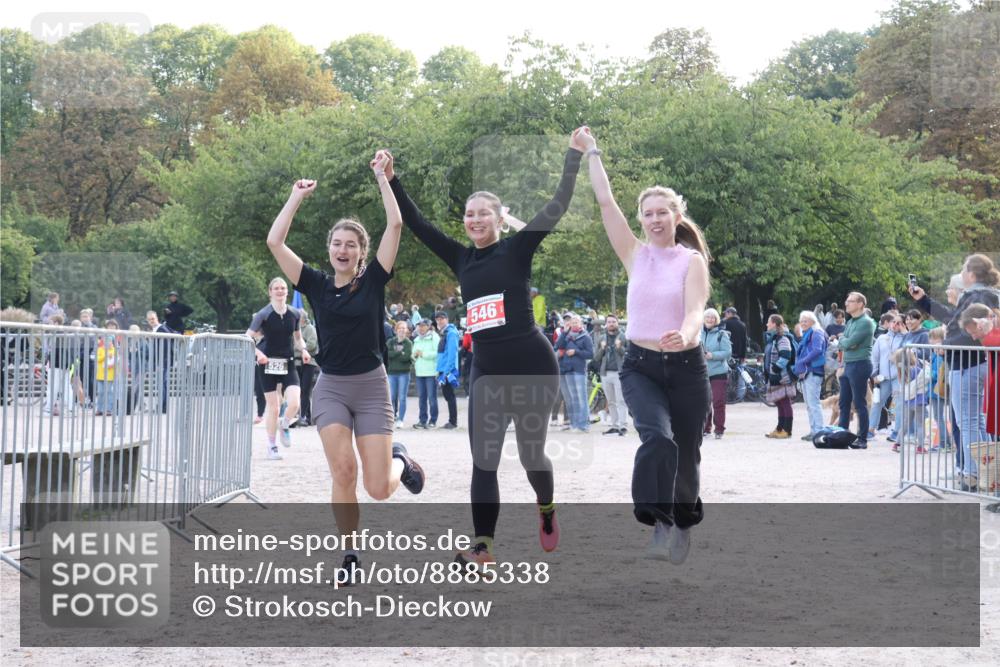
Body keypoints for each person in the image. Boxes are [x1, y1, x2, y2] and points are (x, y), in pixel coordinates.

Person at [387, 129, 585, 567]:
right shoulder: (461, 259)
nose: (474, 220)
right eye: (468, 214)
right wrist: (391, 178)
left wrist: (572, 155)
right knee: (484, 460)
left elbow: (556, 207)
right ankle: (483, 546)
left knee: (532, 455)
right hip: (488, 371)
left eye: (483, 214)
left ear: (499, 219)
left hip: (532, 366)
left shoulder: (517, 251)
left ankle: (547, 509)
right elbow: (417, 224)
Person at [266, 153, 425, 584]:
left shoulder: (374, 279)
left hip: (371, 388)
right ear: (329, 249)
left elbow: (395, 225)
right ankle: (350, 553)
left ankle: (401, 461)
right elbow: (275, 243)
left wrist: (381, 178)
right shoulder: (315, 283)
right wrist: (295, 198)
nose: (342, 249)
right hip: (332, 387)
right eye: (337, 243)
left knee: (377, 488)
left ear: (361, 252)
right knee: (343, 472)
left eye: (351, 244)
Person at [582, 126, 711, 565]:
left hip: (687, 368)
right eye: (648, 213)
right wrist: (592, 151)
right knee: (658, 439)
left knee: (688, 453)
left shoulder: (691, 261)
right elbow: (605, 202)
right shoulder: (634, 255)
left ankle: (683, 522)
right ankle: (658, 520)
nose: (655, 219)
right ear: (641, 219)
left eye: (662, 212)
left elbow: (695, 311)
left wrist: (687, 333)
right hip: (640, 366)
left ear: (677, 215)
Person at [911, 255, 1000, 490]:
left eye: (963, 269)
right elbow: (955, 320)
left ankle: (973, 474)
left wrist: (949, 341)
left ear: (971, 274)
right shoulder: (988, 294)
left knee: (968, 421)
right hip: (978, 362)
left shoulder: (975, 295)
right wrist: (925, 302)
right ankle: (987, 474)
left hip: (966, 362)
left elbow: (962, 326)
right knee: (978, 422)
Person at [246, 278, 310, 460]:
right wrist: (258, 354)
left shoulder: (294, 313)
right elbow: (247, 337)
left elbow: (298, 338)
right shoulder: (263, 314)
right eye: (277, 288)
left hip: (288, 361)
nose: (280, 291)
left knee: (295, 402)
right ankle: (272, 446)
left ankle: (285, 424)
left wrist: (304, 350)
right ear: (270, 292)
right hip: (267, 363)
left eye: (283, 288)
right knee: (273, 408)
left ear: (286, 292)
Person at [837, 292, 877, 448]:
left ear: (860, 304)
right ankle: (842, 434)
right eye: (847, 301)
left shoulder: (865, 322)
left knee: (860, 403)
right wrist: (845, 341)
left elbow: (848, 343)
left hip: (860, 364)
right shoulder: (851, 322)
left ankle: (862, 439)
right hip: (848, 364)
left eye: (850, 301)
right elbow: (845, 343)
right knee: (843, 402)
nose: (846, 303)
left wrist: (844, 341)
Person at [555, 313, 594, 433]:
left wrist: (576, 352)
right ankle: (576, 424)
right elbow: (558, 346)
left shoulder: (586, 337)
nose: (574, 324)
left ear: (581, 324)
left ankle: (584, 425)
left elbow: (590, 354)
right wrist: (565, 333)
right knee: (573, 398)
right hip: (567, 370)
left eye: (576, 322)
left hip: (579, 370)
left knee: (581, 398)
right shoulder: (566, 336)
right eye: (572, 323)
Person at [868, 313, 905, 441]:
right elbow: (875, 358)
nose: (895, 325)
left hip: (898, 376)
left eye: (898, 323)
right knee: (877, 402)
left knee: (900, 404)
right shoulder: (881, 338)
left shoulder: (905, 339)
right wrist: (874, 374)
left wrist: (904, 333)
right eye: (893, 322)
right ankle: (870, 430)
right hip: (883, 376)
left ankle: (896, 432)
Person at [593, 313, 629, 435]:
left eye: (613, 321)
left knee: (621, 400)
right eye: (609, 322)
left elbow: (629, 355)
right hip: (605, 373)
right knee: (611, 401)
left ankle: (623, 426)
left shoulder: (624, 336)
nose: (611, 324)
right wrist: (602, 349)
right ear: (606, 324)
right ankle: (615, 425)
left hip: (619, 373)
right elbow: (596, 358)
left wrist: (620, 348)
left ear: (617, 323)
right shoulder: (602, 338)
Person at [794, 310, 828, 440]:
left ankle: (818, 431)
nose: (802, 323)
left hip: (813, 371)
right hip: (807, 372)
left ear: (813, 321)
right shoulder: (808, 334)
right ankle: (813, 430)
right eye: (801, 321)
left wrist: (803, 361)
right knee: (809, 404)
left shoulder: (817, 332)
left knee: (813, 403)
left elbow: (817, 350)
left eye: (805, 321)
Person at [763, 315, 796, 439]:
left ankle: (787, 430)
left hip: (782, 377)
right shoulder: (773, 339)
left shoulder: (783, 339)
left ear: (775, 324)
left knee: (785, 402)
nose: (767, 325)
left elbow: (786, 356)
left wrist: (775, 369)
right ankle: (779, 428)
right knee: (779, 402)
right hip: (773, 377)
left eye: (768, 322)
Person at [701, 308, 731, 439]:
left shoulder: (721, 334)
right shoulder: (698, 333)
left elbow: (727, 352)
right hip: (701, 373)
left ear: (716, 320)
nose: (709, 319)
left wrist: (712, 355)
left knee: (718, 401)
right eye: (707, 317)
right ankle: (705, 428)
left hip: (718, 372)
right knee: (704, 402)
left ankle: (719, 429)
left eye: (712, 317)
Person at [433, 311, 460, 429]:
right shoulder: (445, 333)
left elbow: (452, 354)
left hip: (448, 370)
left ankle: (453, 422)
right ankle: (452, 421)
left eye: (442, 318)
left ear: (447, 319)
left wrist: (446, 372)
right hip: (443, 369)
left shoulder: (451, 333)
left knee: (450, 396)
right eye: (437, 319)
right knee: (448, 395)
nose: (439, 321)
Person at [411, 318, 440, 428]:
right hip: (419, 372)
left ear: (429, 326)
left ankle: (433, 421)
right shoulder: (417, 339)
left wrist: (423, 354)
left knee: (432, 398)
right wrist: (415, 355)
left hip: (431, 372)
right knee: (422, 398)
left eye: (423, 325)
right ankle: (422, 420)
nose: (421, 328)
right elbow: (413, 354)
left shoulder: (434, 337)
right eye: (419, 326)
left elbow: (437, 353)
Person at [387, 320, 414, 429]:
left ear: (407, 330)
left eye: (404, 328)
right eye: (400, 328)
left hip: (404, 373)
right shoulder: (390, 342)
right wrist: (399, 352)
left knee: (402, 397)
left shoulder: (408, 343)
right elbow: (388, 355)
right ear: (396, 330)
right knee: (392, 396)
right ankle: (392, 417)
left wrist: (396, 354)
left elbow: (406, 357)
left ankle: (401, 419)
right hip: (392, 373)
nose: (402, 330)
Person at [297, 310, 319, 427]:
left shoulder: (310, 329)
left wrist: (299, 348)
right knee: (299, 390)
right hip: (296, 362)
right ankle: (306, 417)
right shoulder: (295, 329)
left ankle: (303, 416)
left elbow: (312, 344)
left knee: (305, 390)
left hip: (309, 363)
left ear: (303, 319)